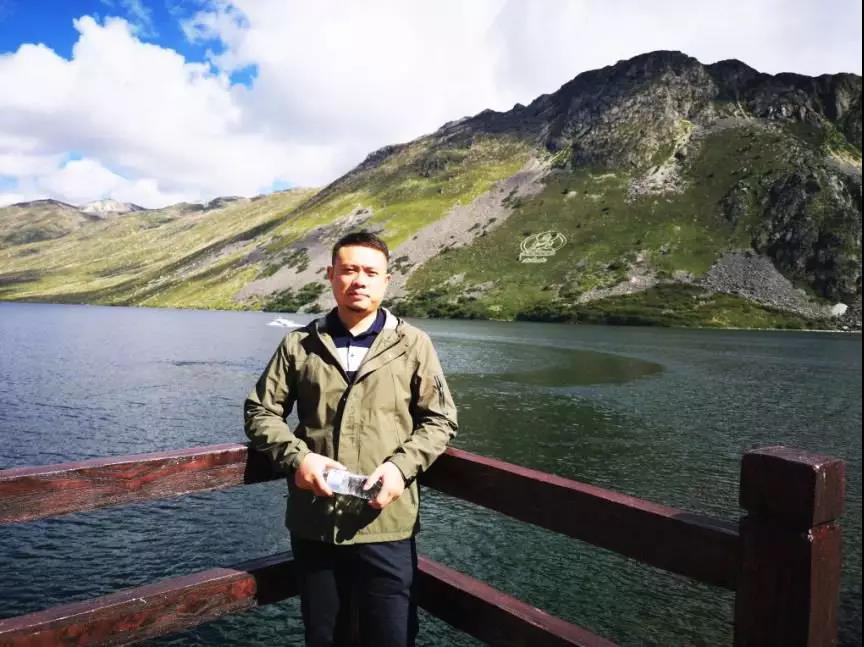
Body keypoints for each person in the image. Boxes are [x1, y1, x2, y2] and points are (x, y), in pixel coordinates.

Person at [244, 231, 458, 647]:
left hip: (387, 524)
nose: (359, 280)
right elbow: (260, 411)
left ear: (386, 281)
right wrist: (299, 459)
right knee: (324, 636)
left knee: (392, 636)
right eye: (349, 270)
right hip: (316, 522)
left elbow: (440, 420)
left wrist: (399, 468)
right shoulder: (299, 344)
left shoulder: (413, 344)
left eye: (370, 272)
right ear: (331, 275)